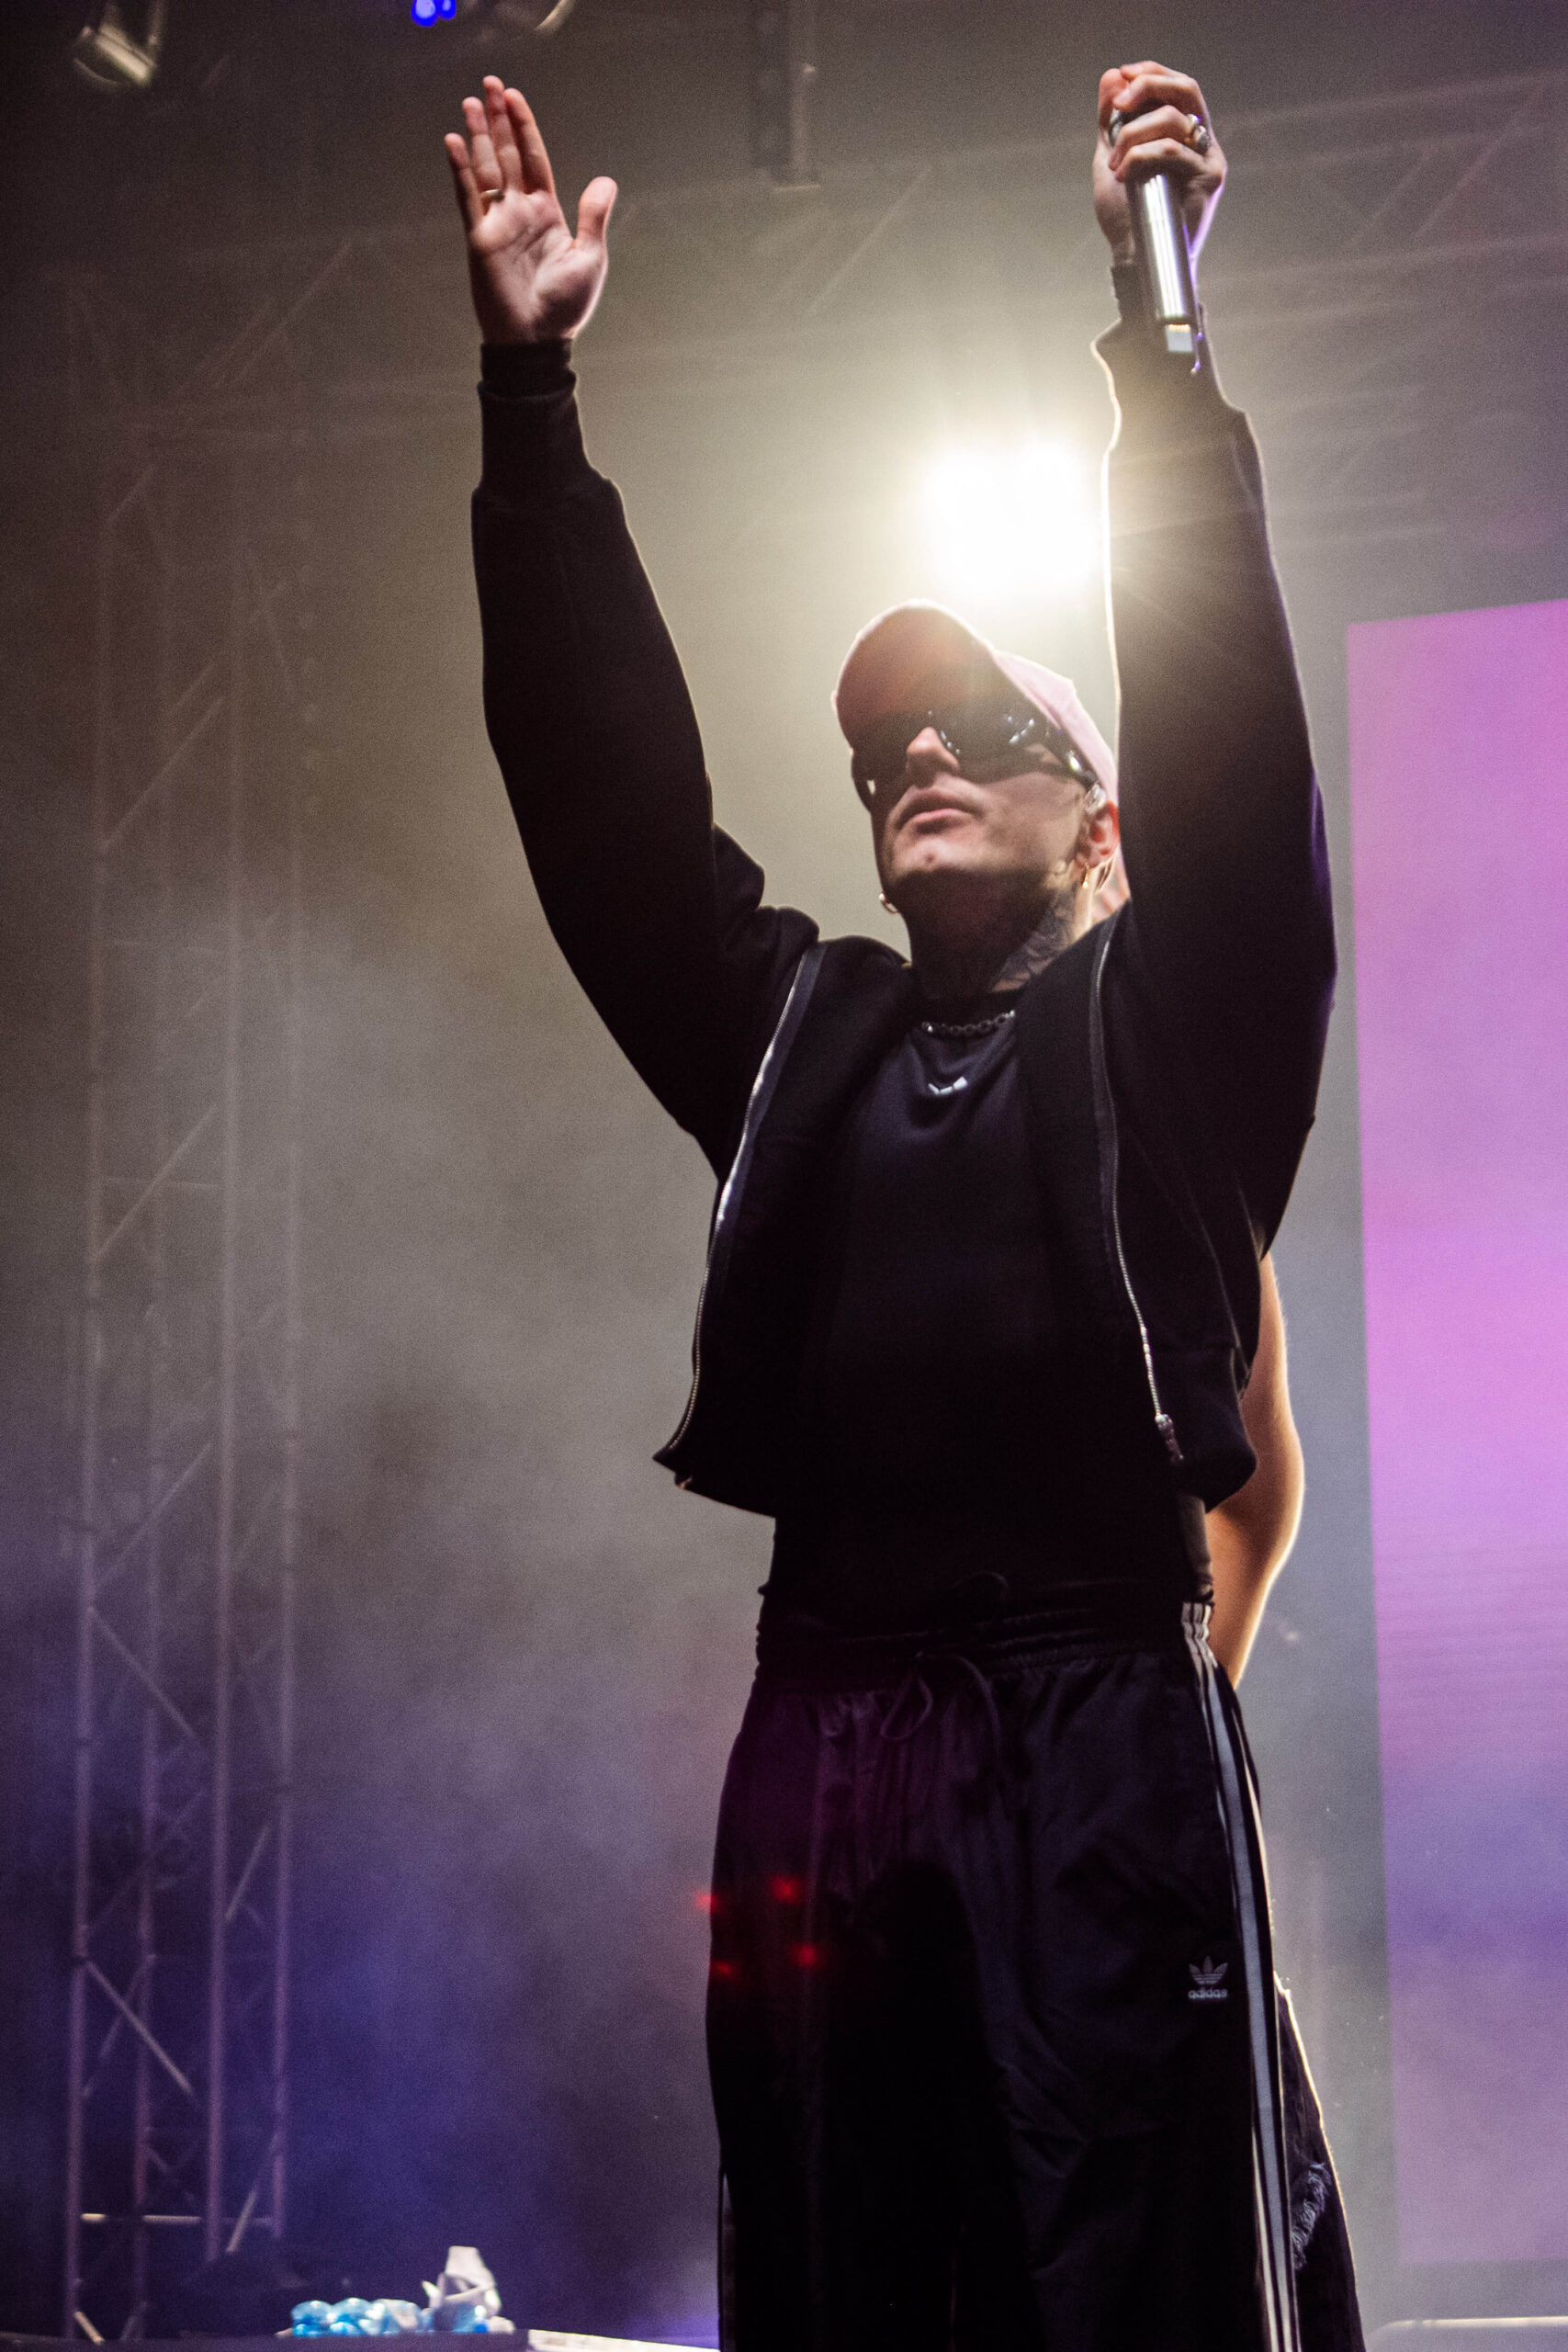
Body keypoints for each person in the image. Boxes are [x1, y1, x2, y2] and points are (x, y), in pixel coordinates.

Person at [446, 55, 1360, 2351]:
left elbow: (1233, 745)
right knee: (845, 2284)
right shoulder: (806, 1038)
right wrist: (530, 400)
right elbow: (608, 821)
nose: (917, 756)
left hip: (1095, 1736)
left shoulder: (1176, 1033)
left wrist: (1155, 331)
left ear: (1100, 821)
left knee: (1126, 2290)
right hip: (827, 1741)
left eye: (981, 730)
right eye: (881, 751)